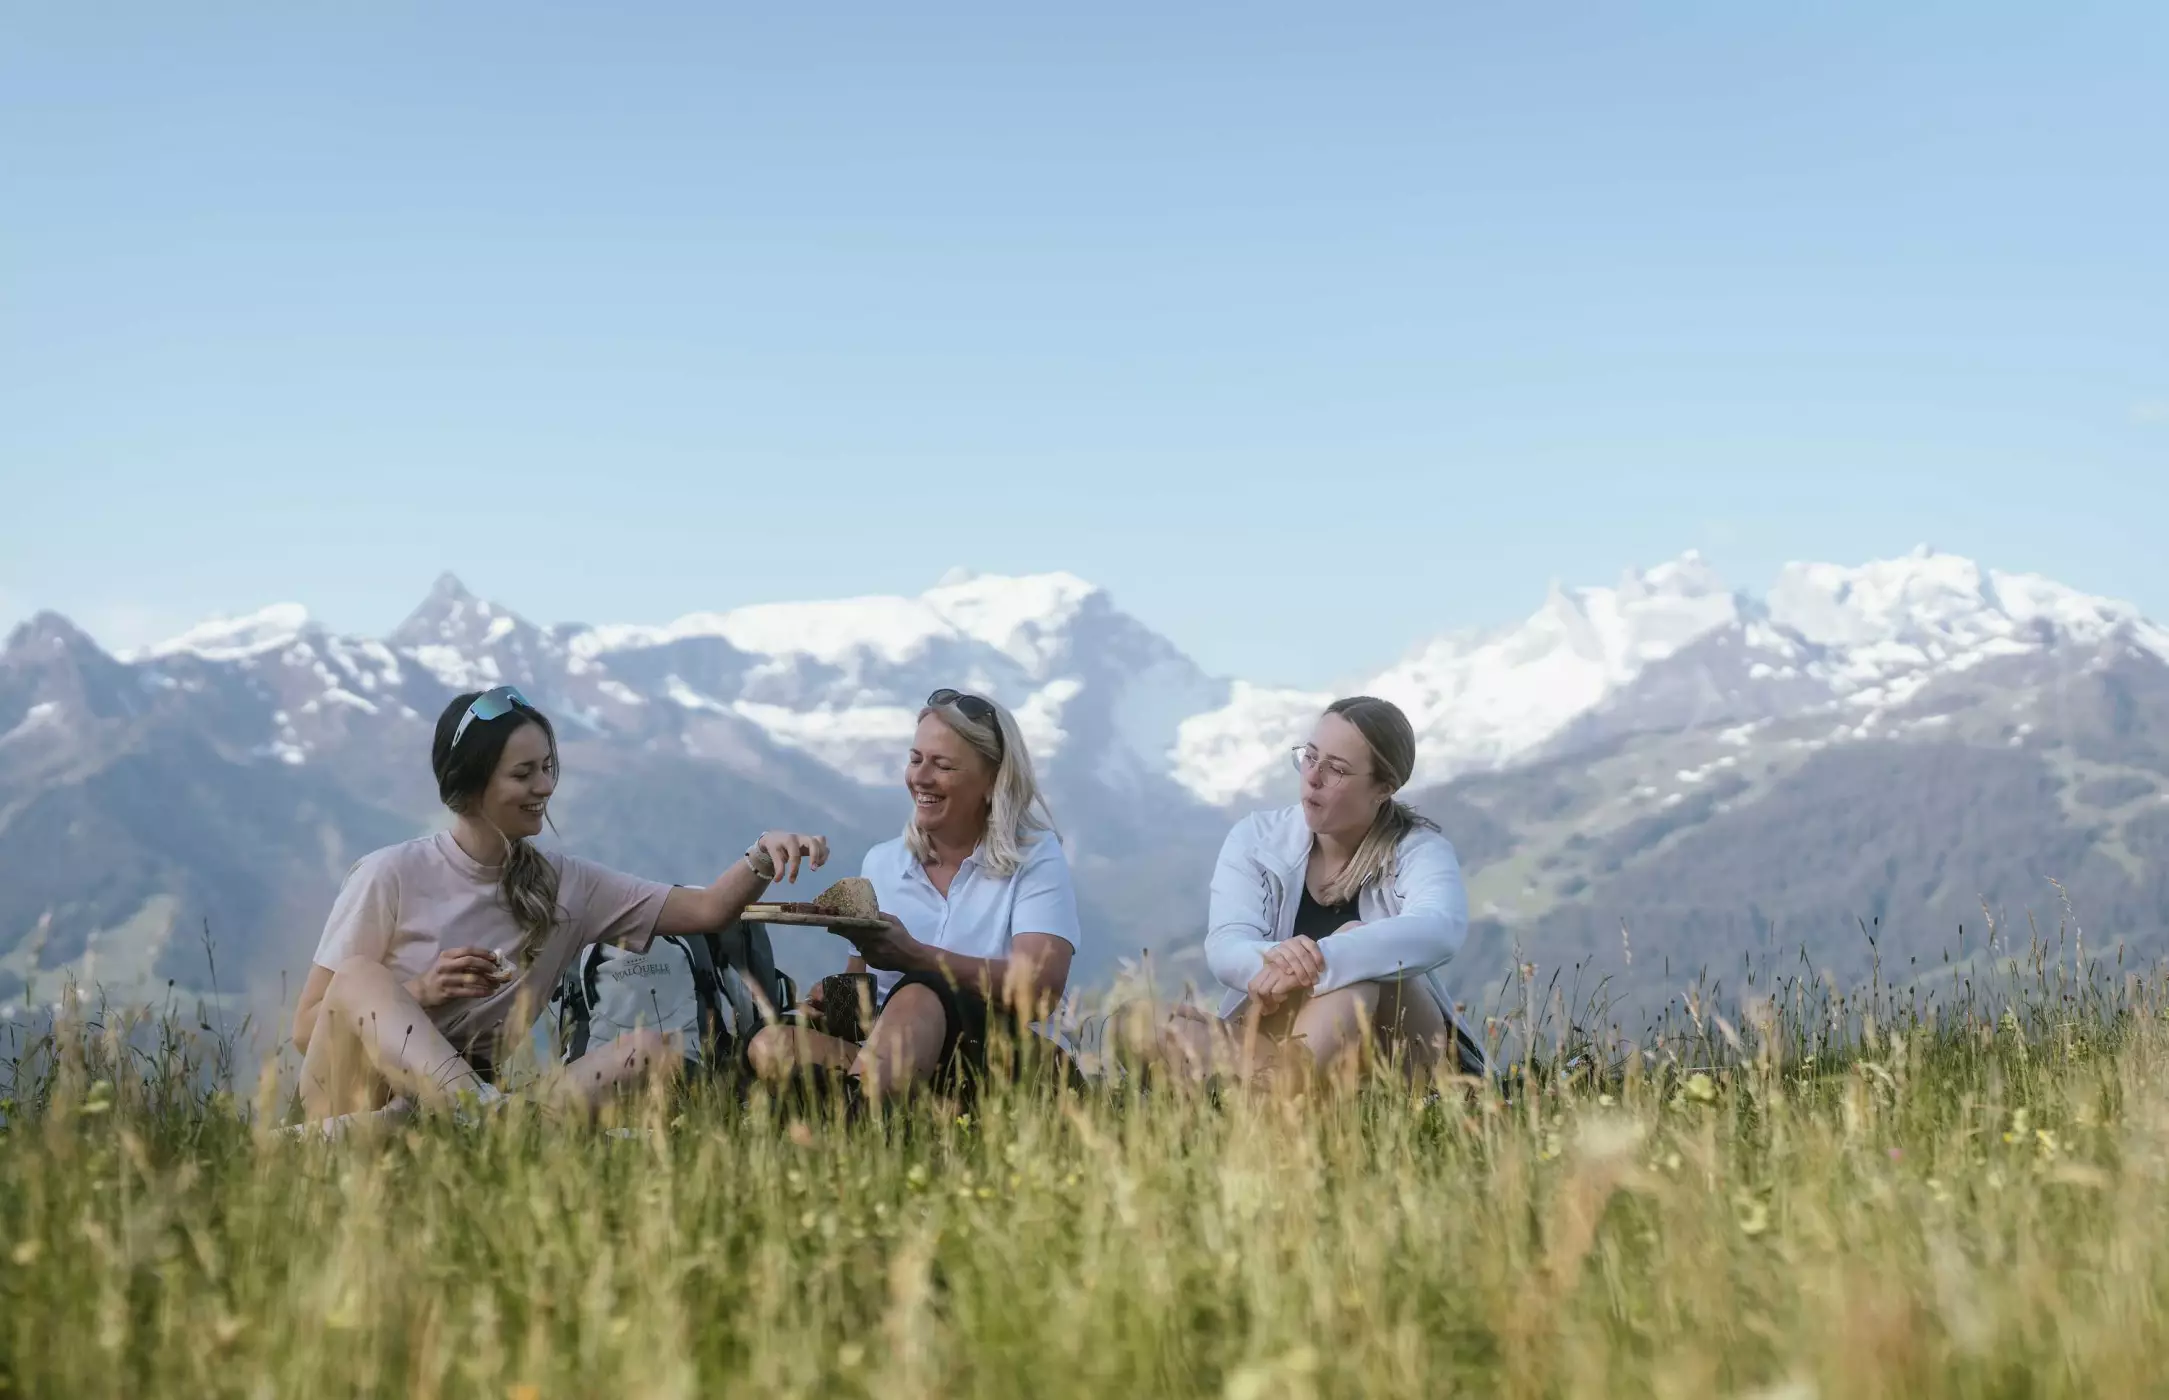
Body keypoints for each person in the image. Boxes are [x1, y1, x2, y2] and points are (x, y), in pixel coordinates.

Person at [288, 685, 829, 1132]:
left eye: (548, 768)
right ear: (472, 782)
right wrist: (422, 993)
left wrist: (763, 854)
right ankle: (466, 1120)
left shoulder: (567, 884)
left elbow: (709, 910)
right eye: (523, 774)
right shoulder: (390, 874)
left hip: (472, 1108)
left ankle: (470, 1128)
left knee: (652, 1050)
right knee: (360, 976)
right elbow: (309, 1031)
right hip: (351, 1093)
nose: (544, 787)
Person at [745, 688, 1081, 1102]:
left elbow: (1040, 990)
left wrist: (916, 957)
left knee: (923, 988)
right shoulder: (883, 862)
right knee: (772, 1045)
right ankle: (882, 1109)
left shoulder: (1035, 856)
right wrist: (836, 997)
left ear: (993, 780)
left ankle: (854, 1119)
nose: (920, 778)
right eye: (915, 759)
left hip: (1007, 1060)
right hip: (901, 1060)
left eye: (942, 765)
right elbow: (866, 991)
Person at [1156, 695, 1483, 1089]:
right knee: (1139, 1021)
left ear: (1383, 788)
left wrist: (1326, 955)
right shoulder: (1257, 839)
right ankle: (1279, 1090)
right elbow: (1227, 944)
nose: (1313, 777)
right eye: (1310, 757)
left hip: (1402, 1058)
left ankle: (1272, 1097)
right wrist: (1275, 959)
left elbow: (1440, 929)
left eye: (1337, 770)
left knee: (1362, 955)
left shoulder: (1419, 850)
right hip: (1281, 1034)